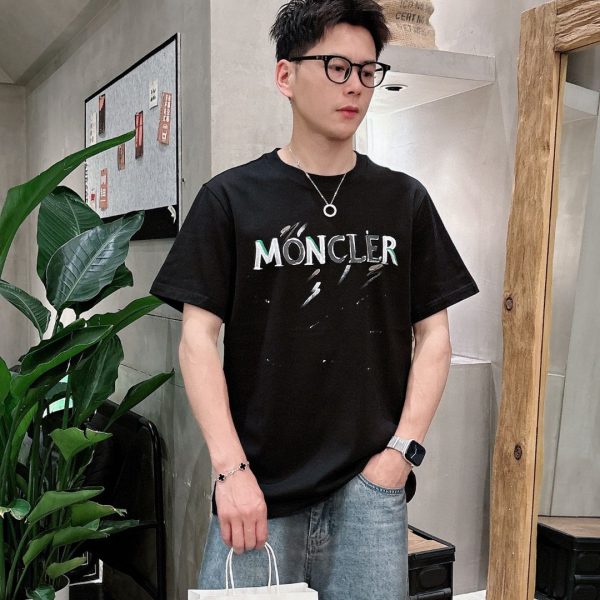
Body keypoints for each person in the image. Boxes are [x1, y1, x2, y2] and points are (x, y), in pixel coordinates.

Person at [149, 1, 479, 598]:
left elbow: (434, 335)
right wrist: (230, 469)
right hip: (256, 491)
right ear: (286, 75)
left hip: (370, 495)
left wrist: (399, 456)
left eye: (367, 71)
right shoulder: (230, 199)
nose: (355, 86)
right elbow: (197, 339)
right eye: (336, 67)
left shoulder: (404, 201)